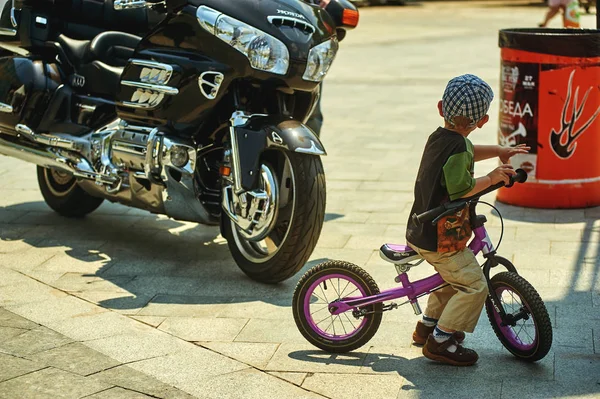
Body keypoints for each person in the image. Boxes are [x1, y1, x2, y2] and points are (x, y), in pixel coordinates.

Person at [405, 74, 529, 366]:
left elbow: (466, 151)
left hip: (421, 227)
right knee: (474, 285)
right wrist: (491, 178)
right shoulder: (458, 147)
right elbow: (460, 187)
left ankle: (427, 326)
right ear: (483, 120)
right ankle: (440, 341)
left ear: (440, 108)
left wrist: (499, 152)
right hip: (440, 237)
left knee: (452, 278)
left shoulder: (439, 137)